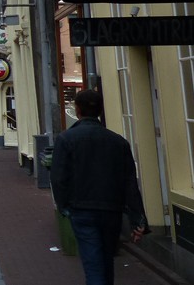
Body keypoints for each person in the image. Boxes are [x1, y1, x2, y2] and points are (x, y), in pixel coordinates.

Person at [52, 89, 149, 285]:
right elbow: (129, 181)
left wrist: (64, 207)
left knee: (93, 264)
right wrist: (138, 219)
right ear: (100, 111)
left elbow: (58, 178)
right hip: (111, 210)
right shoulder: (118, 142)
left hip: (82, 209)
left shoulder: (66, 139)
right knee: (106, 262)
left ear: (77, 110)